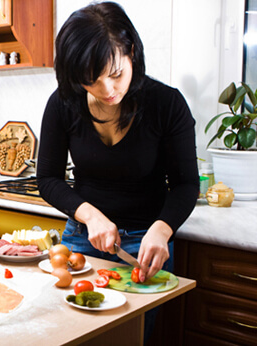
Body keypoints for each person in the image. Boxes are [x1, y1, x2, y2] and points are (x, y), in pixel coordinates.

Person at [37, 2, 199, 282]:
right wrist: (90, 216)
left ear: (131, 53)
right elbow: (48, 179)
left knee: (134, 327)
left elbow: (185, 184)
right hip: (83, 237)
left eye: (115, 74)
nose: (107, 90)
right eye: (90, 81)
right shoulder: (63, 103)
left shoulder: (166, 104)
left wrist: (162, 229)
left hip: (147, 242)